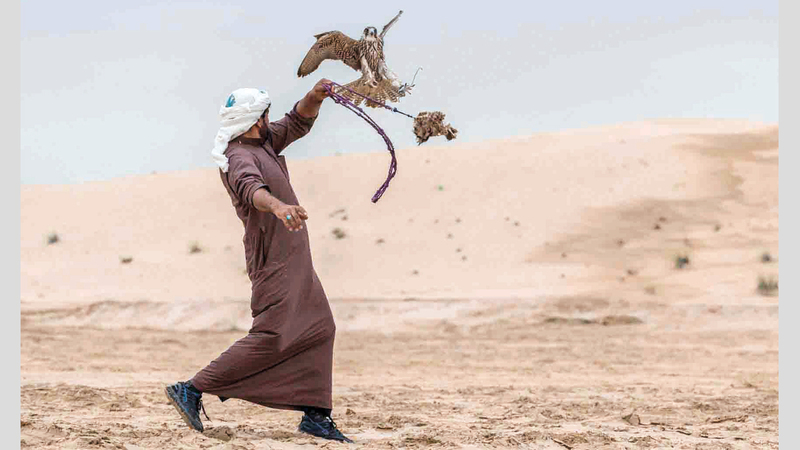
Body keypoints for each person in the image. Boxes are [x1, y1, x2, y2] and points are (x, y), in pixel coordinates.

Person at [165, 79, 352, 443]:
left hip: (296, 258)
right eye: (267, 114)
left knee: (320, 327)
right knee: (273, 335)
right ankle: (191, 388)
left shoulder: (261, 141)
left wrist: (316, 95)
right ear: (255, 120)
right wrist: (279, 206)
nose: (271, 119)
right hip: (273, 259)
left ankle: (316, 414)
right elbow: (252, 189)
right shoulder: (239, 158)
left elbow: (297, 121)